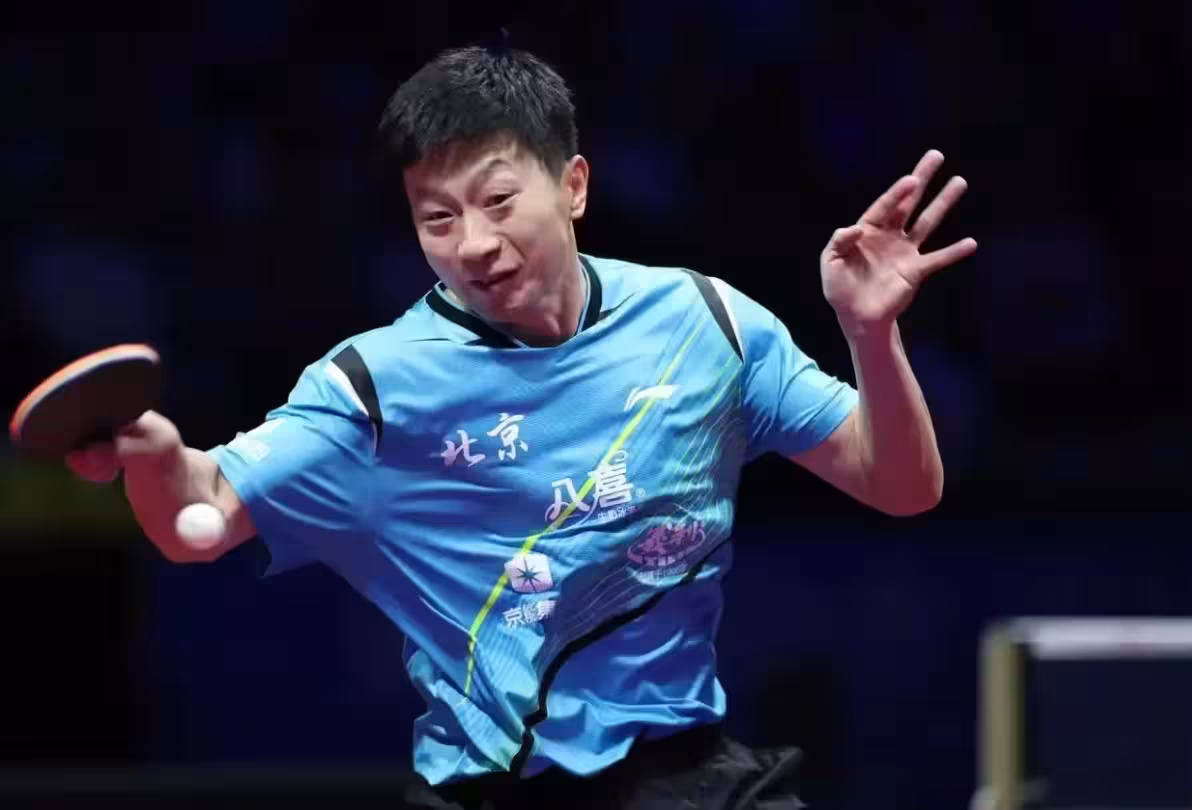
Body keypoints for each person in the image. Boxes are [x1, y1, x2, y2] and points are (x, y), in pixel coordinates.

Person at [67, 45, 976, 809]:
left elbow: (900, 486)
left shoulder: (707, 324)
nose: (471, 243)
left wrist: (870, 333)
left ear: (573, 185)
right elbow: (198, 520)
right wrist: (154, 455)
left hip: (691, 775)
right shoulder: (377, 387)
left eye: (498, 202)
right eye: (437, 218)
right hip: (501, 788)